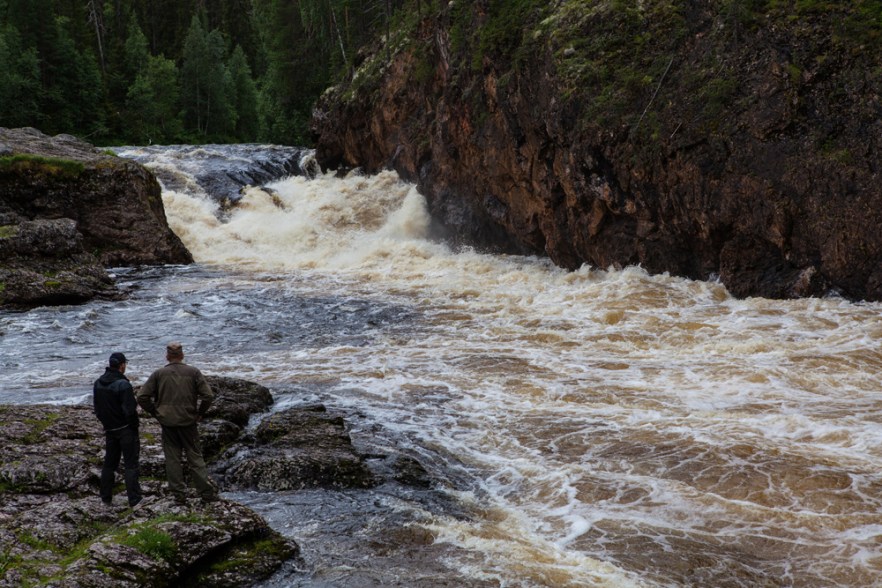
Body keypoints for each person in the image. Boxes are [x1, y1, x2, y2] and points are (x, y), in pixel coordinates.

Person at [136, 342, 219, 504]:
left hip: (168, 423)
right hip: (189, 422)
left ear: (167, 356)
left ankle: (179, 495)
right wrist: (200, 413)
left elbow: (141, 397)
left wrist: (155, 412)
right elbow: (208, 396)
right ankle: (206, 493)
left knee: (173, 459)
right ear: (182, 355)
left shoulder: (159, 374)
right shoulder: (193, 372)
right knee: (195, 458)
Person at [93, 351, 143, 507]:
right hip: (126, 429)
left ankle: (105, 497)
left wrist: (106, 424)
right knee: (130, 465)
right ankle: (134, 499)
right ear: (122, 366)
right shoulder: (123, 384)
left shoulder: (98, 383)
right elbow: (130, 410)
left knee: (109, 464)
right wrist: (134, 426)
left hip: (109, 429)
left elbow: (97, 408)